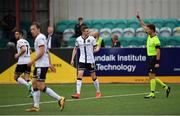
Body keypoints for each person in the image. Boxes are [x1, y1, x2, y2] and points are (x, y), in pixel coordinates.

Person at [26, 22, 65, 112]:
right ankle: (36, 106)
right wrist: (50, 64)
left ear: (38, 29)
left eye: (33, 29)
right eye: (31, 29)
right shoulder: (42, 37)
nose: (32, 31)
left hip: (41, 65)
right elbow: (47, 52)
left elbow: (42, 52)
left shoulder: (40, 38)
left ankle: (60, 98)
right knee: (34, 83)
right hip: (41, 64)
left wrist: (32, 61)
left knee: (40, 86)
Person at [136, 12, 171, 98]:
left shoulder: (156, 39)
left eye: (148, 29)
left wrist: (157, 61)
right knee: (152, 76)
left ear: (152, 30)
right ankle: (165, 87)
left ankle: (152, 93)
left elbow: (158, 51)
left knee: (151, 76)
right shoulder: (149, 35)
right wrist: (139, 19)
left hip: (154, 58)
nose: (146, 30)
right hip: (150, 57)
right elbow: (143, 26)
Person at [70, 26, 102, 99]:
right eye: (86, 31)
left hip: (90, 60)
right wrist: (72, 59)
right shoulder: (78, 39)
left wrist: (96, 49)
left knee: (93, 77)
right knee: (79, 75)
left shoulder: (92, 39)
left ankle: (98, 92)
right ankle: (77, 94)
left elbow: (96, 47)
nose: (88, 32)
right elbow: (75, 49)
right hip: (82, 60)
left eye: (88, 31)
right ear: (83, 32)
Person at [14, 30, 32, 97]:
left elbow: (24, 49)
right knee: (26, 78)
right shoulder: (26, 41)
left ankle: (28, 85)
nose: (15, 35)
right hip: (28, 61)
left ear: (21, 35)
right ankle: (31, 92)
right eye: (15, 34)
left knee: (16, 77)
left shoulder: (19, 41)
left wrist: (18, 55)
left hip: (22, 62)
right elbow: (30, 51)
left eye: (17, 34)